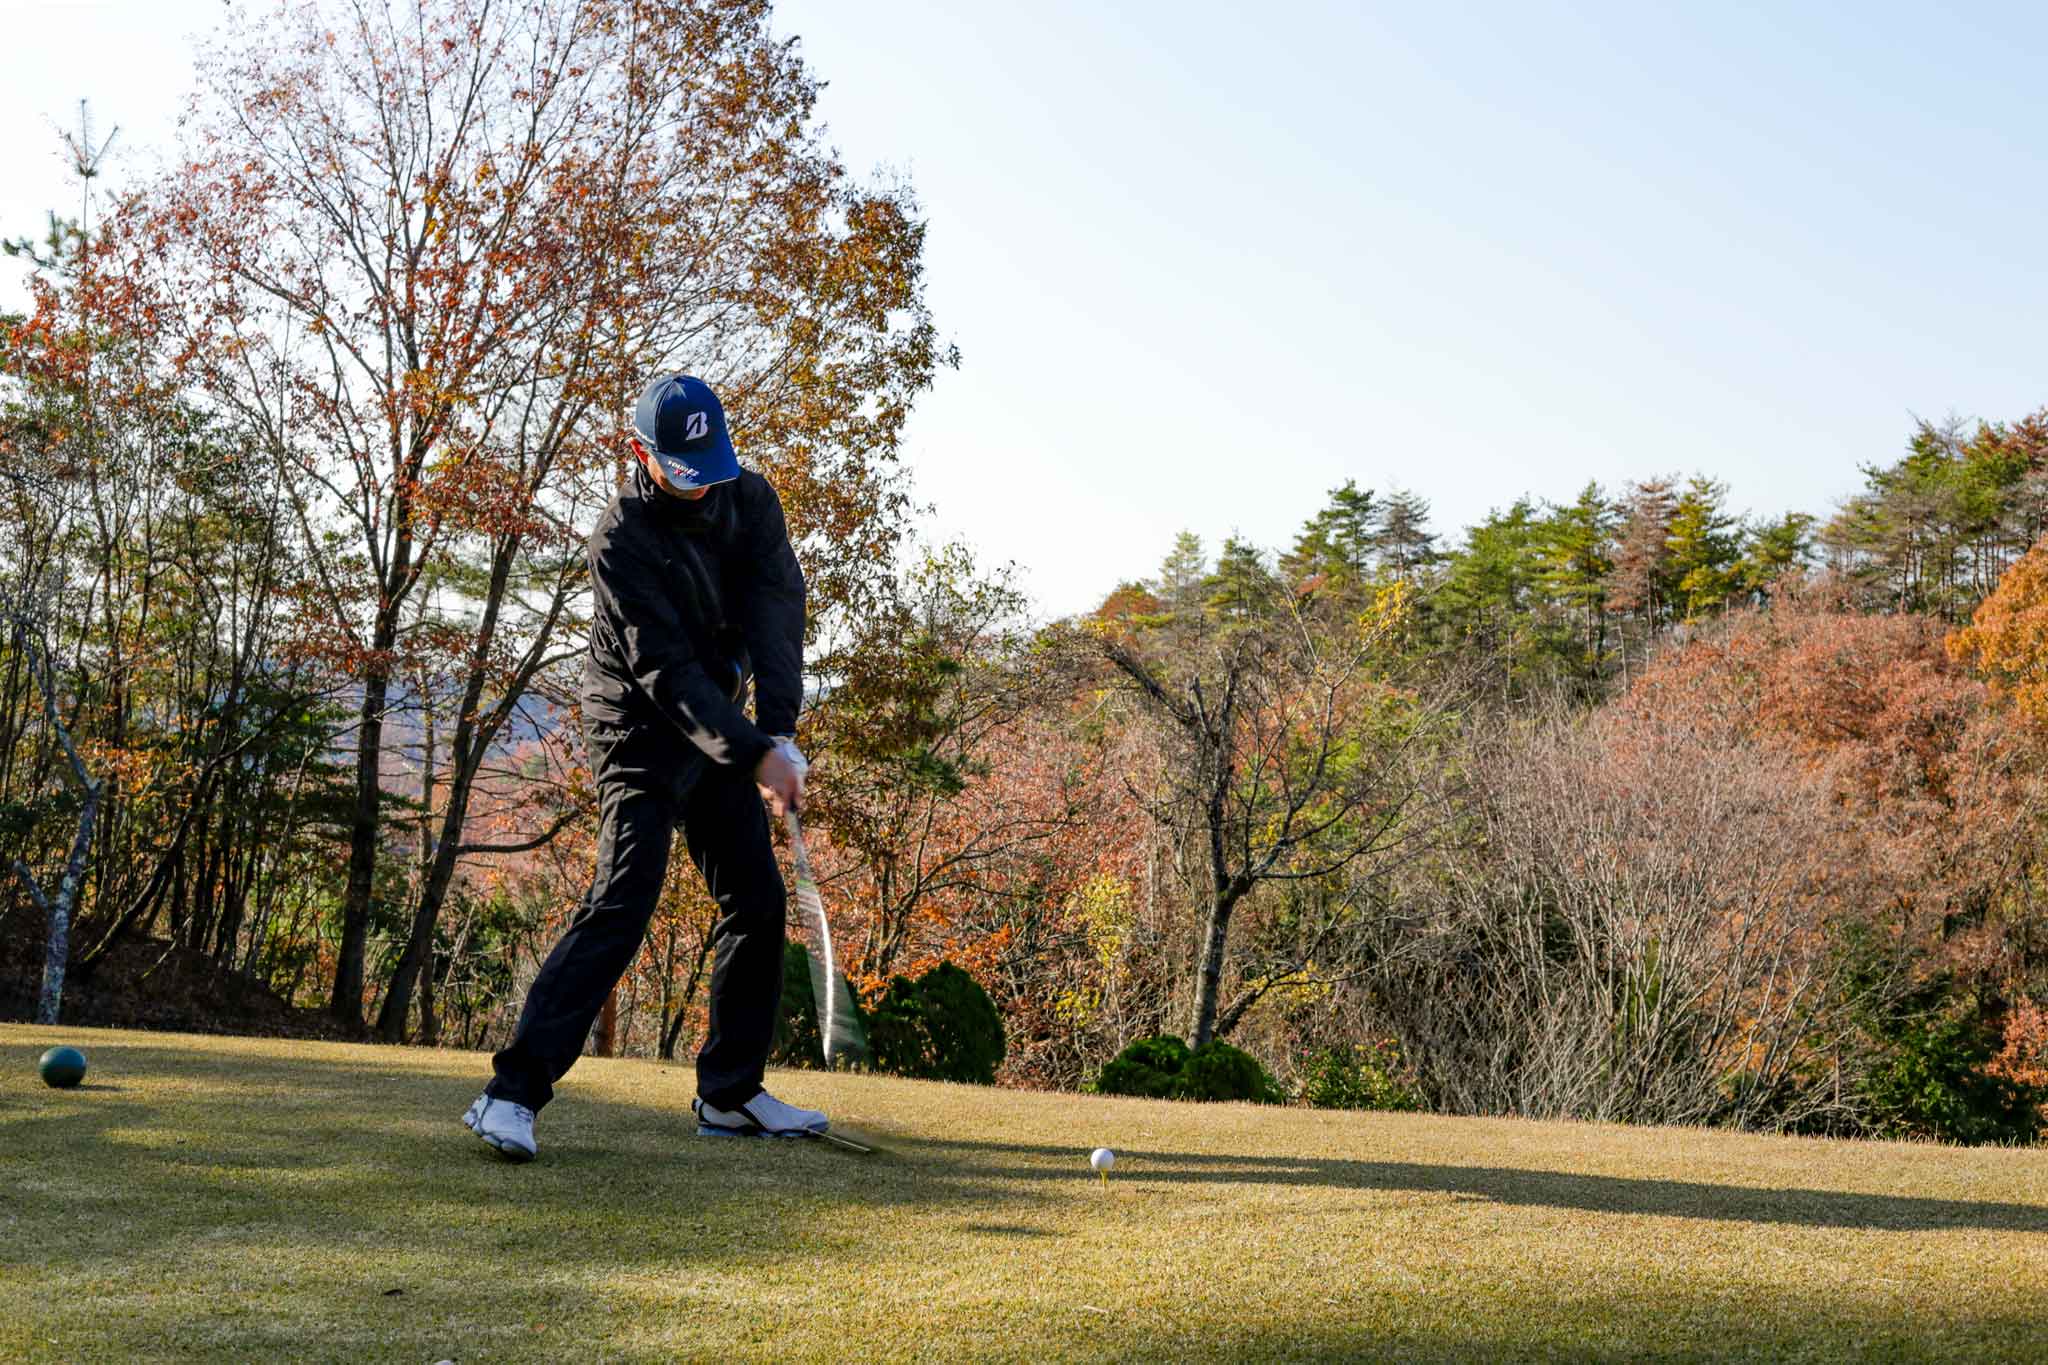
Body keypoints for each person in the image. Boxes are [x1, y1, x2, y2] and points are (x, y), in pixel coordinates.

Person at [462, 372, 823, 1162]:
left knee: (756, 899)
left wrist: (782, 728)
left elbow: (777, 611)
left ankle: (729, 1094)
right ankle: (510, 1094)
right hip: (638, 730)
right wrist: (757, 753)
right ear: (641, 453)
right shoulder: (622, 538)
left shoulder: (750, 503)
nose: (702, 487)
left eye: (711, 467)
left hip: (721, 723)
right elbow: (666, 675)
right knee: (624, 898)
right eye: (684, 470)